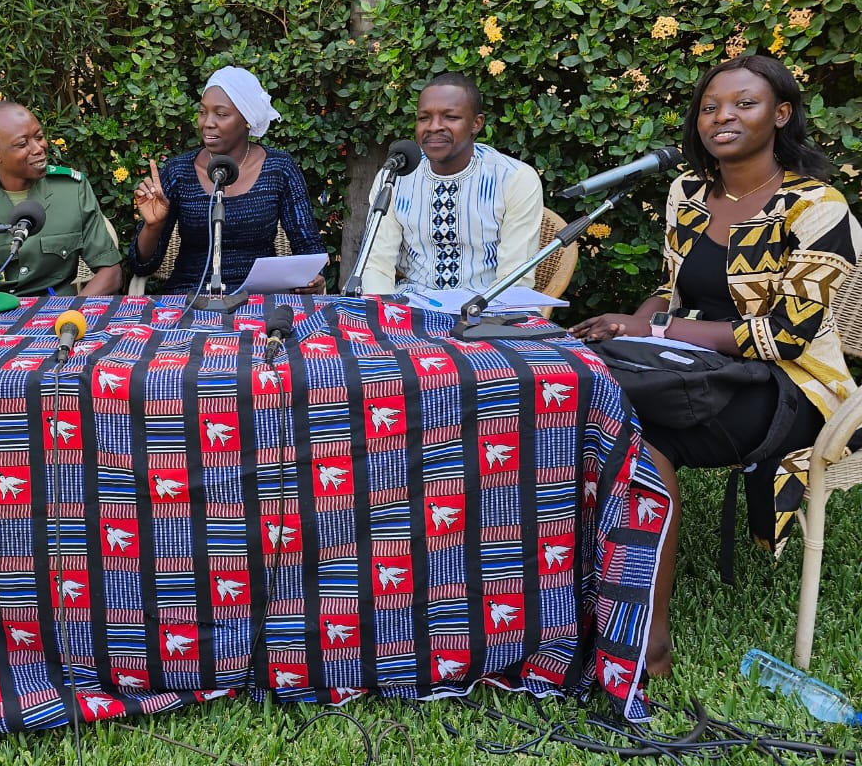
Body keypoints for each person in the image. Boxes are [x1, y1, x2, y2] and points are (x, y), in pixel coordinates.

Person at [570, 55, 862, 677]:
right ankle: (585, 605)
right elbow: (673, 290)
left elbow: (786, 334)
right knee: (596, 411)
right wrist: (632, 320)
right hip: (692, 369)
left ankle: (646, 641)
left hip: (794, 388)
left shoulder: (817, 206)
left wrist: (652, 328)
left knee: (625, 425)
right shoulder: (686, 193)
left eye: (743, 104)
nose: (722, 116)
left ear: (781, 115)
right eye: (709, 106)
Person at [130, 66, 326, 293]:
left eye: (221, 114)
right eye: (203, 112)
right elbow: (142, 265)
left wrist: (315, 278)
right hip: (190, 297)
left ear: (247, 119)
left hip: (260, 301)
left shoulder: (278, 168)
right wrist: (154, 227)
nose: (208, 123)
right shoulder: (178, 171)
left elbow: (308, 246)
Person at [360, 72, 543, 295]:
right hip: (411, 311)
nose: (434, 127)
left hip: (486, 313)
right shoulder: (395, 176)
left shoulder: (514, 179)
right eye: (424, 118)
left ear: (476, 124)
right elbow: (376, 265)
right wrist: (385, 316)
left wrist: (481, 320)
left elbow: (515, 278)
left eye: (450, 117)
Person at [0, 102, 122, 297]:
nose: (39, 148)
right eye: (22, 144)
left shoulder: (72, 191)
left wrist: (71, 314)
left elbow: (110, 273)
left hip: (58, 316)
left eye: (39, 137)